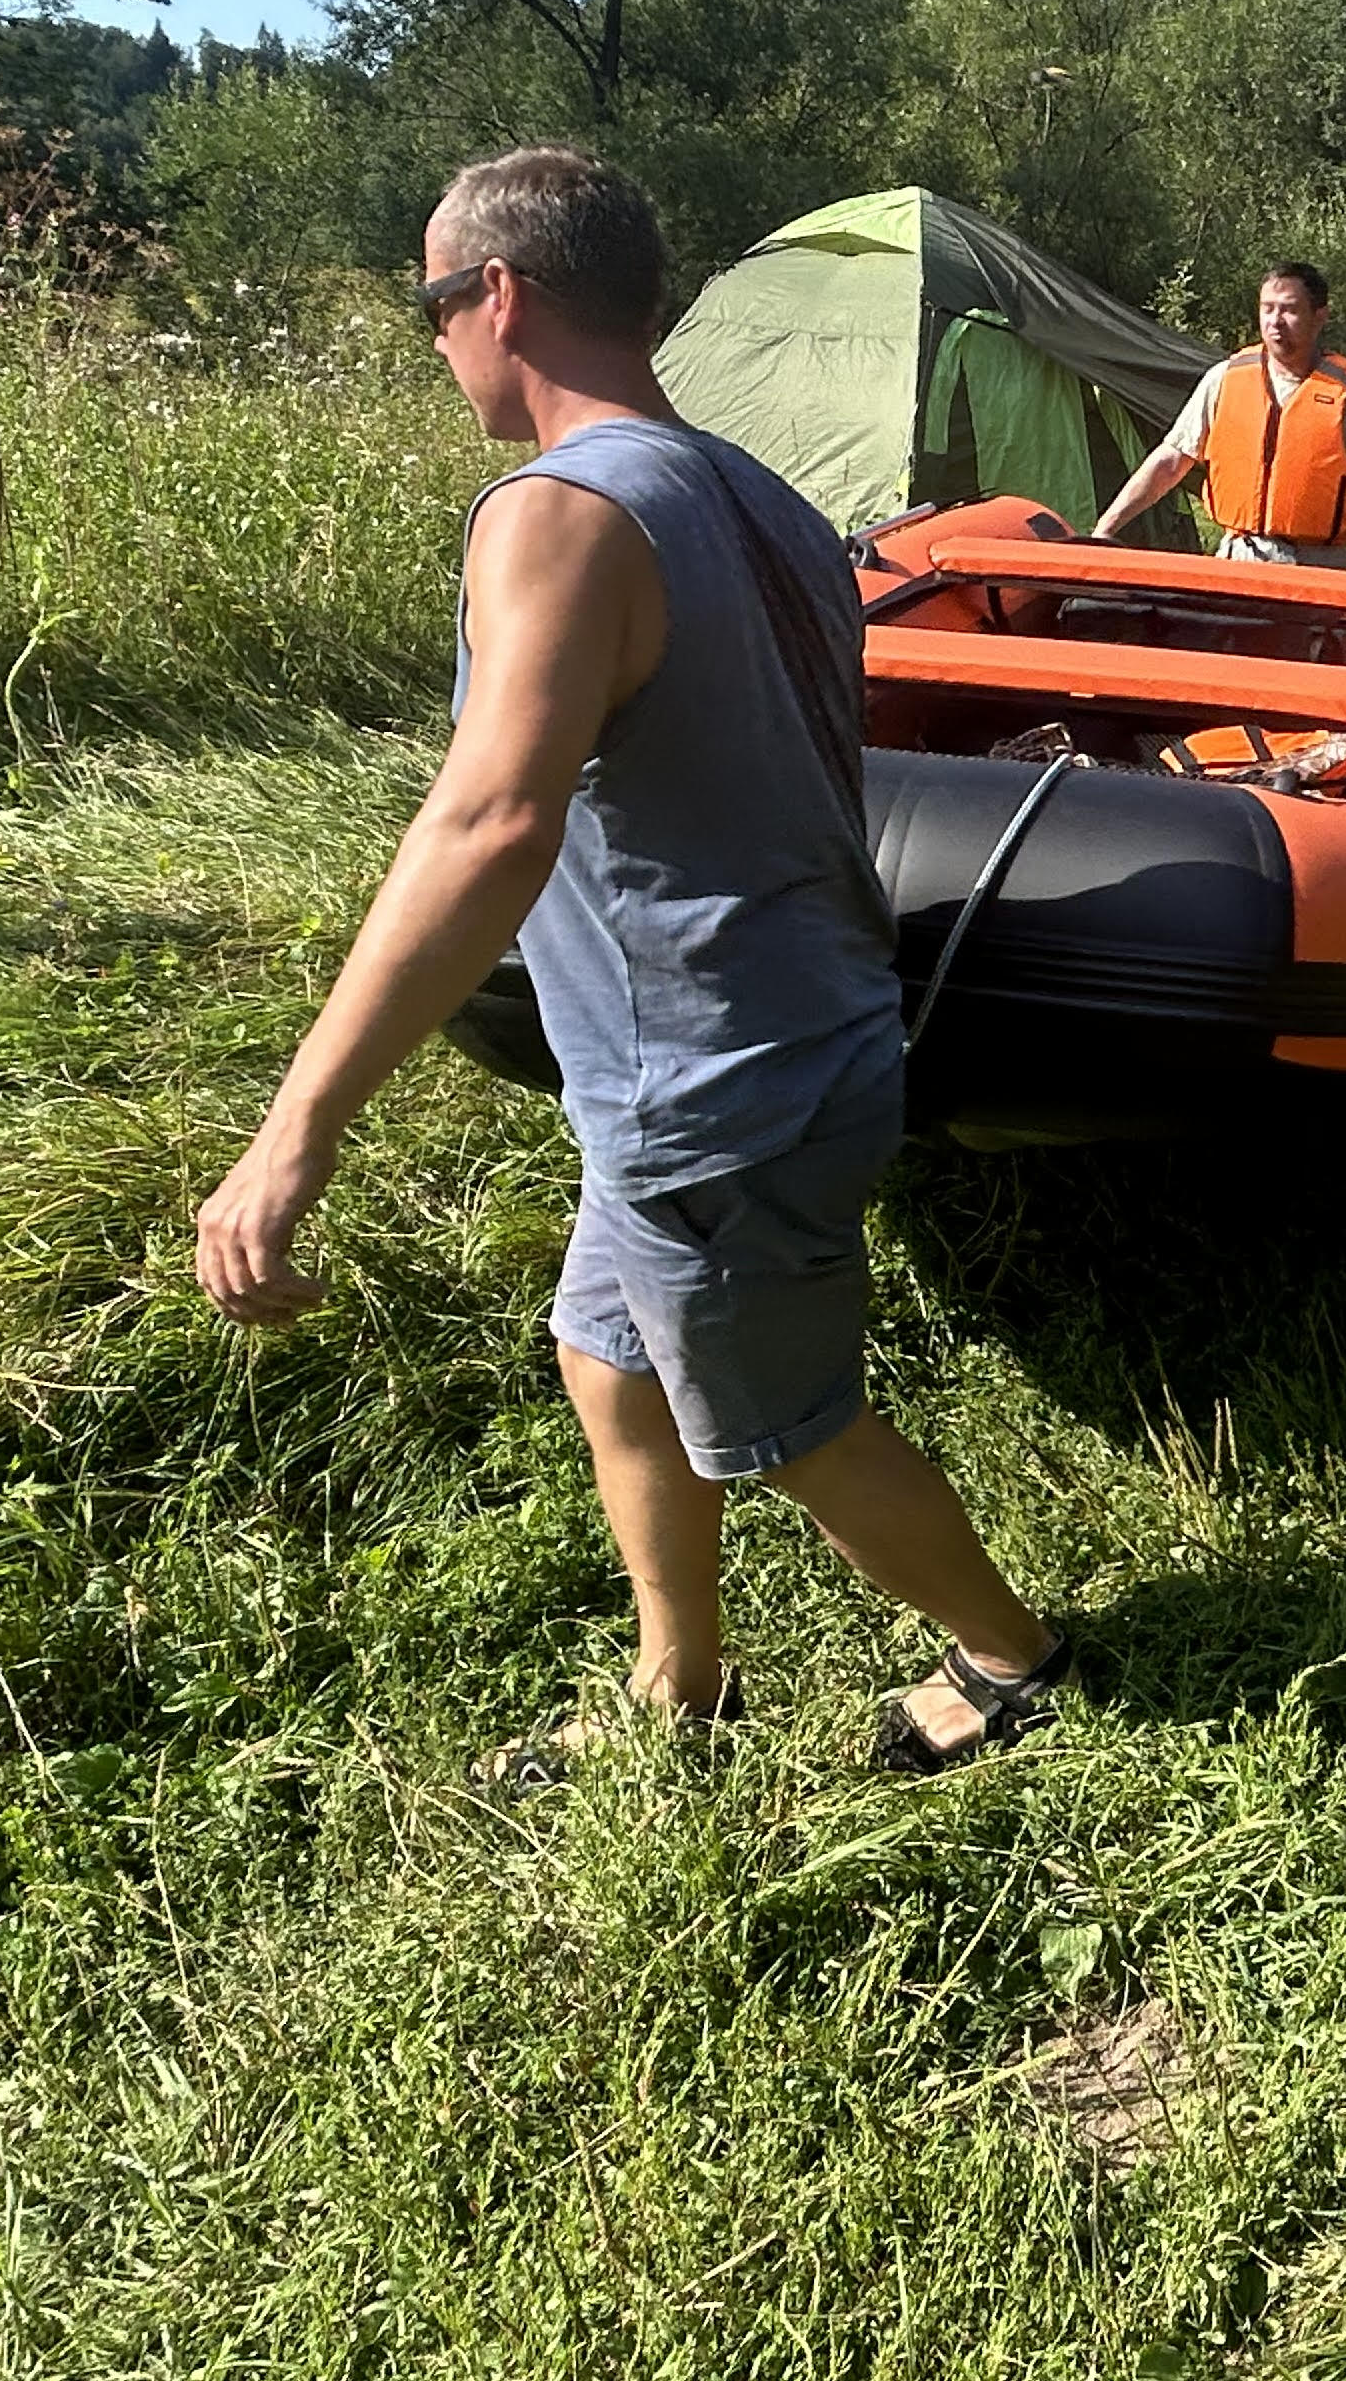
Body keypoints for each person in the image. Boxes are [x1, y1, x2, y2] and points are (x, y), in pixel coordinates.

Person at [195, 145, 1067, 1780]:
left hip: (712, 1084)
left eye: (430, 306)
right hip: (776, 1033)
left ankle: (1013, 1652)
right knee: (606, 1353)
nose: (437, 343)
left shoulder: (559, 514)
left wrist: (289, 1136)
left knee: (790, 1423)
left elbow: (487, 823)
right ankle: (683, 1684)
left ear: (498, 296)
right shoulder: (764, 497)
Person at [1092, 261, 1346, 569]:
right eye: (1267, 308)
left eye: (1290, 309)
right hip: (1238, 557)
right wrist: (1105, 529)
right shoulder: (1223, 380)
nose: (1275, 321)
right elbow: (1170, 462)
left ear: (1319, 316)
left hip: (1318, 566)